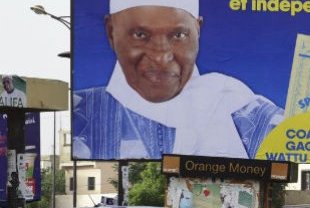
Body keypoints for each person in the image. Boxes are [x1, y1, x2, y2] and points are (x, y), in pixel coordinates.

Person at [73, 0, 284, 160]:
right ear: (111, 31)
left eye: (178, 36)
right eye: (140, 35)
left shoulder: (242, 109)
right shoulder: (82, 113)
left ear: (197, 30)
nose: (160, 56)